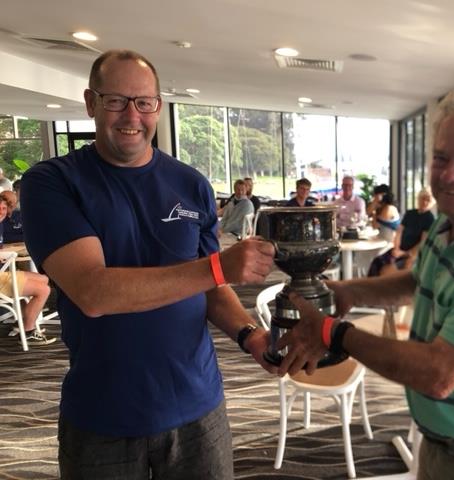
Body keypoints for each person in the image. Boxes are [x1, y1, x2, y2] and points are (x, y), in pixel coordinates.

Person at [277, 80, 454, 479]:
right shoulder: (453, 223)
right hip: (443, 444)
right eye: (440, 157)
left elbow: (439, 373)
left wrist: (334, 334)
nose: (448, 176)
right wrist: (346, 291)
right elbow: (418, 281)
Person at [21, 49, 276, 479]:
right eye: (116, 100)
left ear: (158, 105)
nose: (132, 115)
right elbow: (93, 292)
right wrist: (218, 267)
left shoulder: (190, 184)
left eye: (145, 102)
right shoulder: (52, 183)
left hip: (200, 408)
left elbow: (211, 289)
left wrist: (249, 334)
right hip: (103, 415)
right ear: (91, 103)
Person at [0, 198, 55, 345]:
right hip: (1, 278)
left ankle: (22, 322)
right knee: (43, 290)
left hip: (4, 274)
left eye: (4, 209)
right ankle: (28, 331)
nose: (1, 212)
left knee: (43, 279)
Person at [367, 187, 436, 277]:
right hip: (399, 249)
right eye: (423, 198)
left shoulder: (429, 219)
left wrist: (405, 253)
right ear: (418, 198)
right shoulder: (410, 213)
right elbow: (399, 232)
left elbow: (422, 243)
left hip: (413, 254)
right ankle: (372, 289)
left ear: (433, 203)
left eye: (428, 200)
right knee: (377, 262)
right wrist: (396, 248)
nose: (425, 202)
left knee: (387, 270)